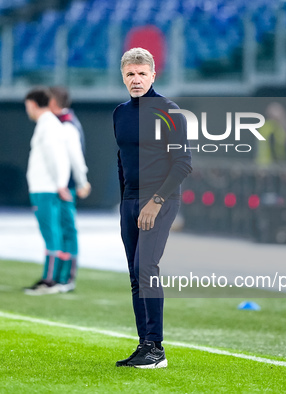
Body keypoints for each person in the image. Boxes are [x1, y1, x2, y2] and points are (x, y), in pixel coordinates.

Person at [113, 47, 192, 369]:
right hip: (130, 200)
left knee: (147, 268)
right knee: (135, 274)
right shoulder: (120, 113)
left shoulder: (169, 111)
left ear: (153, 75)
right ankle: (144, 344)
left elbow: (183, 164)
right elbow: (122, 159)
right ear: (123, 76)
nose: (136, 80)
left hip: (159, 199)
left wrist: (155, 202)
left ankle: (156, 350)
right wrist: (125, 202)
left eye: (142, 74)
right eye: (130, 74)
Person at [22, 87, 72, 295]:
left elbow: (56, 157)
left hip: (45, 188)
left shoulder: (47, 125)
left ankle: (50, 280)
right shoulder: (50, 124)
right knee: (54, 233)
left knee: (50, 234)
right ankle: (55, 278)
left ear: (33, 104)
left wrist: (60, 183)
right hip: (46, 187)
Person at [48, 86, 91, 293]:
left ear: (54, 102)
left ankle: (66, 277)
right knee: (59, 230)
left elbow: (75, 157)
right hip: (61, 186)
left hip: (66, 187)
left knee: (67, 229)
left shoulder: (67, 126)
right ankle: (57, 276)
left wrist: (81, 182)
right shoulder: (61, 123)